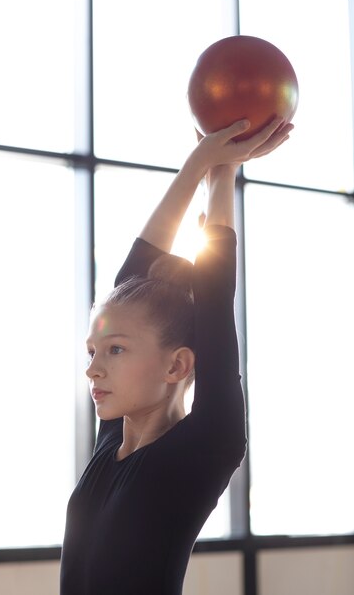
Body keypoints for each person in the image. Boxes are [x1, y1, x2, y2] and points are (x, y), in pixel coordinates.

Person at [60, 117, 294, 595]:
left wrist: (220, 173)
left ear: (178, 366)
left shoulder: (205, 447)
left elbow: (213, 300)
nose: (93, 368)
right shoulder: (111, 442)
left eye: (116, 350)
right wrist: (201, 167)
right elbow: (134, 273)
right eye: (93, 351)